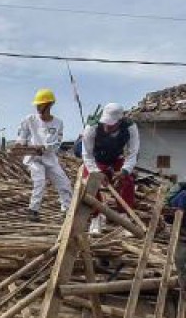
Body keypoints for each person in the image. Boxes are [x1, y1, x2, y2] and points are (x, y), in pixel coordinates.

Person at [80, 102, 140, 234]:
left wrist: (124, 171)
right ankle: (97, 216)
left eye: (111, 124)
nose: (107, 126)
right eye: (105, 122)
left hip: (116, 159)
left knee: (128, 181)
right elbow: (87, 154)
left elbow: (133, 153)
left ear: (119, 121)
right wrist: (96, 173)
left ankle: (124, 217)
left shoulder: (130, 127)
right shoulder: (92, 127)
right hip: (96, 159)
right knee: (89, 182)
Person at [17, 88, 72, 221]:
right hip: (33, 158)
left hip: (50, 158)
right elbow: (21, 138)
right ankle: (33, 210)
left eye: (40, 104)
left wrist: (44, 147)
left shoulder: (58, 123)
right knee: (39, 181)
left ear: (49, 105)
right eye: (37, 104)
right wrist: (22, 145)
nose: (37, 107)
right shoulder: (29, 119)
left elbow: (57, 144)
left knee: (64, 183)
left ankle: (68, 210)